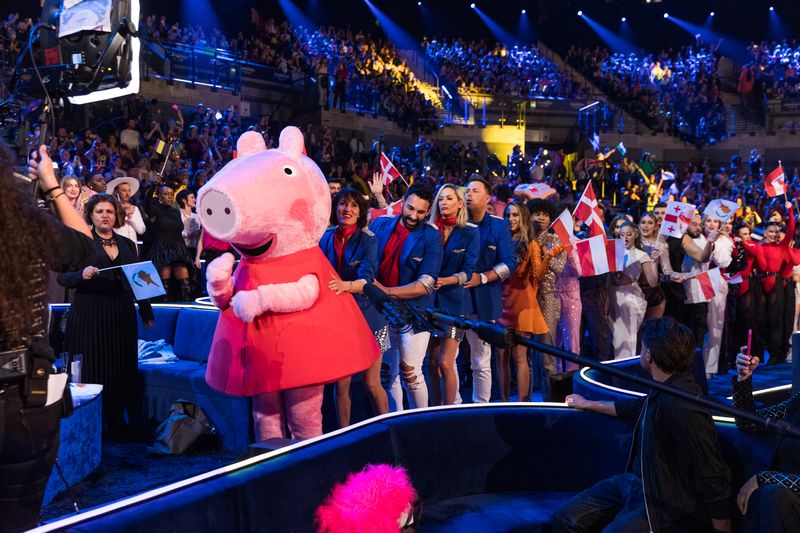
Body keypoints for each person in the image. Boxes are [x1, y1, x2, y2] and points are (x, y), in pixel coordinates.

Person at [554, 318, 732, 533]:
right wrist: (589, 404)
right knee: (565, 517)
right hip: (635, 482)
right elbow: (637, 407)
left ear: (649, 354)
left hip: (663, 500)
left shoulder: (683, 405)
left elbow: (711, 471)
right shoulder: (664, 386)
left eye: (643, 346)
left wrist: (722, 527)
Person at [1, 145, 94, 531]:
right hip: (25, 399)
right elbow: (85, 247)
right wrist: (52, 185)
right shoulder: (25, 224)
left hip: (27, 397)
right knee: (18, 520)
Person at [58, 194, 154, 433]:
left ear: (116, 215)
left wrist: (146, 312)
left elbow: (139, 280)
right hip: (91, 311)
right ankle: (94, 422)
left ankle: (118, 420)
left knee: (122, 365)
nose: (105, 216)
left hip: (121, 312)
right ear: (90, 215)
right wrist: (82, 274)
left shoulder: (127, 244)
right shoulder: (81, 242)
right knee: (93, 365)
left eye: (109, 211)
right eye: (99, 211)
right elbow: (63, 277)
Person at [371, 181, 442, 411]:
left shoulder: (431, 236)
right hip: (382, 311)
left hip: (414, 312)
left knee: (410, 372)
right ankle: (396, 422)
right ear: (403, 203)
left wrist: (386, 291)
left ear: (429, 210)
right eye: (410, 208)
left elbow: (426, 284)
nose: (414, 215)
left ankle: (420, 424)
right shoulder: (381, 225)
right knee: (386, 373)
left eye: (421, 212)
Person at [321, 189, 390, 425]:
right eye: (342, 204)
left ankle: (388, 429)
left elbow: (367, 278)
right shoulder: (326, 237)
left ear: (360, 211)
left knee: (372, 384)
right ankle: (344, 436)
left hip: (371, 320)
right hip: (340, 322)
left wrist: (345, 285)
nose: (347, 210)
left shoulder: (369, 239)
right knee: (341, 385)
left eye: (353, 205)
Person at [731, 344, 800, 532]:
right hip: (779, 503)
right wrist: (743, 378)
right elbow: (749, 422)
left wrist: (767, 478)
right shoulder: (798, 403)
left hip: (783, 501)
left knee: (772, 496)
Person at [463, 175, 517, 403]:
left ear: (487, 199)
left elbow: (509, 263)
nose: (468, 194)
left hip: (484, 300)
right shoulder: (455, 222)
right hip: (453, 298)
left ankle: (480, 406)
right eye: (466, 190)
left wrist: (483, 278)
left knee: (481, 359)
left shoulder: (498, 225)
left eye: (474, 191)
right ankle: (450, 407)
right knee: (446, 359)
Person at [498, 202, 558, 401]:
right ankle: (504, 403)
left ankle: (524, 403)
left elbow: (539, 274)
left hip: (522, 302)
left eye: (515, 215)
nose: (511, 219)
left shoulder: (531, 244)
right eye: (507, 215)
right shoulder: (499, 239)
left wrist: (548, 255)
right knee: (501, 358)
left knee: (519, 357)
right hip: (500, 301)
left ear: (522, 217)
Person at [427, 184, 478, 406]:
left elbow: (469, 271)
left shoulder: (470, 232)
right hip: (429, 303)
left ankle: (449, 411)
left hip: (455, 305)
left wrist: (446, 281)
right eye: (440, 199)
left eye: (449, 198)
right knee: (431, 363)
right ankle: (435, 409)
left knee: (446, 363)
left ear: (459, 203)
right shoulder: (428, 230)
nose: (444, 203)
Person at [609, 222, 658, 358]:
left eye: (629, 234)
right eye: (622, 234)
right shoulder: (613, 253)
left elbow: (653, 282)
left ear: (636, 235)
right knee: (614, 339)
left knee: (626, 340)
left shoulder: (641, 255)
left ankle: (625, 374)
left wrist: (654, 261)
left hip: (630, 298)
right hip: (612, 297)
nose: (625, 238)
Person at [758, 203, 795, 364]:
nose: (774, 234)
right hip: (760, 284)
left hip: (777, 284)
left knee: (777, 319)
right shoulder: (759, 246)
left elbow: (792, 229)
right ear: (764, 232)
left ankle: (777, 352)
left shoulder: (781, 247)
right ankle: (770, 351)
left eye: (776, 232)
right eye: (771, 231)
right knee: (765, 318)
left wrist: (790, 209)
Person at [144, 183, 194, 301]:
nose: (170, 197)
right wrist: (153, 187)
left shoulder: (176, 212)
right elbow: (146, 204)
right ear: (159, 196)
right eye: (166, 194)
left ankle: (184, 311)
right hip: (162, 251)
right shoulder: (155, 210)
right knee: (164, 286)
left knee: (185, 285)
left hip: (179, 250)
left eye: (171, 194)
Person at [702, 214, 733, 378]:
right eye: (708, 220)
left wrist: (712, 244)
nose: (712, 224)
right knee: (700, 325)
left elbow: (724, 263)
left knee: (714, 325)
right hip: (695, 280)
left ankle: (710, 367)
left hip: (715, 280)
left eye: (716, 221)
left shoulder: (724, 241)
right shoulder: (697, 236)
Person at [106, 176, 145, 253]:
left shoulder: (134, 209)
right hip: (117, 247)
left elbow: (141, 230)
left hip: (133, 248)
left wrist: (131, 218)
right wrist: (125, 214)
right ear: (116, 192)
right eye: (124, 190)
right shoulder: (111, 209)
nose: (127, 194)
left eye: (129, 190)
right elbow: (111, 227)